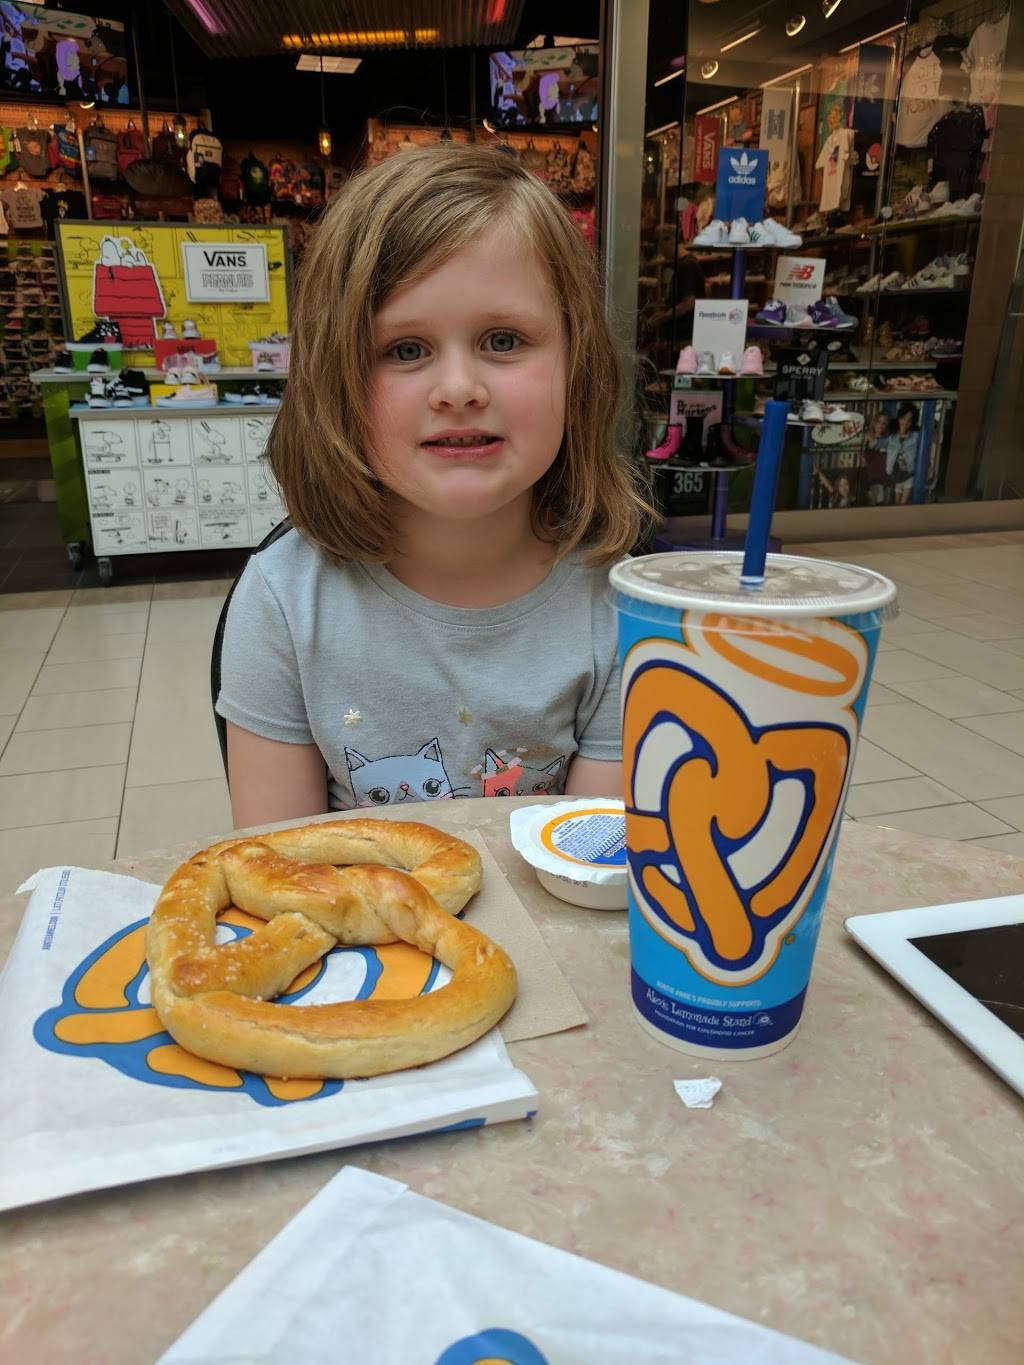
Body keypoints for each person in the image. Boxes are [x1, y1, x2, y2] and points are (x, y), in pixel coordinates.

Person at [217, 144, 653, 828]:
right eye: (405, 350)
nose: (459, 389)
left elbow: (587, 857)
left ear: (580, 363)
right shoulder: (283, 604)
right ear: (333, 380)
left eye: (503, 341)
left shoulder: (621, 611)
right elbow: (279, 866)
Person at [886, 403, 919, 506]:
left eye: (909, 420)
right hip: (897, 476)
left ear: (912, 422)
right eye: (904, 418)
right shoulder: (892, 438)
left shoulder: (915, 436)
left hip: (909, 474)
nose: (906, 422)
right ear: (899, 418)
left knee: (903, 505)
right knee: (897, 504)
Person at [863, 412, 891, 505]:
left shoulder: (887, 440)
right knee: (877, 504)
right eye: (879, 422)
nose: (881, 425)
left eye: (884, 423)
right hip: (873, 479)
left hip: (886, 479)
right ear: (874, 423)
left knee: (885, 505)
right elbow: (863, 458)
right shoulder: (866, 438)